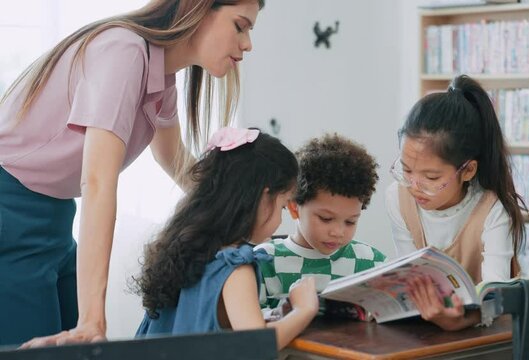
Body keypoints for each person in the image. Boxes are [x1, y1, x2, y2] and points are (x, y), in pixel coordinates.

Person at [0, 0, 265, 346]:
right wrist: (93, 319)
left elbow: (174, 160)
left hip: (54, 216)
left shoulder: (161, 79)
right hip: (12, 211)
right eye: (240, 26)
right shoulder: (123, 52)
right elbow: (97, 181)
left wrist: (236, 222)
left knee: (69, 350)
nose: (248, 44)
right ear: (198, 9)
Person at [135, 127, 319, 350]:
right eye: (282, 206)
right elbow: (255, 346)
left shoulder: (182, 251)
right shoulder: (234, 268)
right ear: (263, 197)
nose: (281, 219)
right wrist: (304, 310)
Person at [385, 75, 527, 331]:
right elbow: (410, 276)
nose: (414, 186)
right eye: (406, 170)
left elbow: (497, 293)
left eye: (431, 177)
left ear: (468, 170)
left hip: (486, 334)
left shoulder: (492, 209)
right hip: (424, 331)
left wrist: (460, 319)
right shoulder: (398, 198)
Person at [255, 134, 386, 310]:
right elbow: (252, 329)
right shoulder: (265, 261)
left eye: (350, 222)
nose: (338, 232)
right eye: (326, 219)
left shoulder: (371, 262)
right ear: (294, 208)